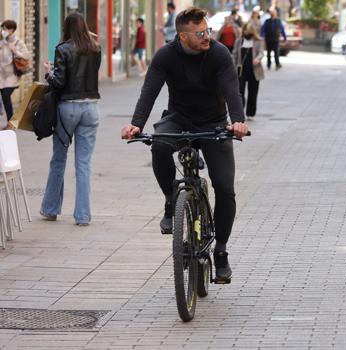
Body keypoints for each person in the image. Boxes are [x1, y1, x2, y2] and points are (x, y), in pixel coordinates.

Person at [120, 8, 249, 282]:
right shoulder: (166, 55)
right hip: (179, 118)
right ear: (183, 36)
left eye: (208, 31)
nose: (207, 37)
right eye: (200, 33)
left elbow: (230, 88)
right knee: (159, 145)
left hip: (214, 123)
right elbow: (150, 90)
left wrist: (237, 120)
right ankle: (171, 200)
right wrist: (136, 124)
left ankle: (221, 251)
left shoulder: (218, 54)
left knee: (225, 187)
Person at [40, 12, 102, 226]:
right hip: (91, 108)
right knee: (83, 163)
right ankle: (83, 216)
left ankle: (50, 209)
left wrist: (48, 72)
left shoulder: (62, 49)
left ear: (66, 28)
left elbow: (58, 83)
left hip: (68, 108)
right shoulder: (95, 48)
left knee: (59, 158)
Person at [232, 22, 264, 120]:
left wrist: (258, 59)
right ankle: (240, 112)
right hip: (241, 70)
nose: (246, 32)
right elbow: (234, 54)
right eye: (245, 30)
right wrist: (233, 66)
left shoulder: (258, 41)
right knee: (240, 92)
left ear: (252, 31)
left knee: (253, 92)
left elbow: (261, 53)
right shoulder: (239, 41)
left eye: (248, 31)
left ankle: (250, 113)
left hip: (254, 70)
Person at [0, 20, 30, 120]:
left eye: (5, 29)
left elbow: (27, 55)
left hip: (12, 75)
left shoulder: (18, 42)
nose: (3, 31)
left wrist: (15, 51)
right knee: (4, 98)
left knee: (5, 95)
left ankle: (10, 121)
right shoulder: (2, 41)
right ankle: (10, 120)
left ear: (11, 30)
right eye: (2, 28)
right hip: (1, 74)